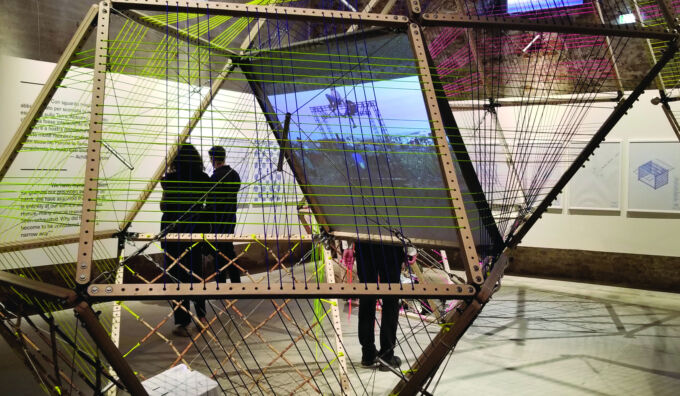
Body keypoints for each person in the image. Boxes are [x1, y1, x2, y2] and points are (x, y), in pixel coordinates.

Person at [160, 144, 211, 337]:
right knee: (196, 273)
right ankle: (201, 317)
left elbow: (164, 205)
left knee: (176, 276)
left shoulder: (169, 180)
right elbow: (205, 204)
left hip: (172, 231)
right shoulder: (204, 179)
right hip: (194, 231)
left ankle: (182, 322)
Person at [348, 241, 407, 371]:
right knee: (391, 297)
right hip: (391, 243)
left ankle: (368, 354)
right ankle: (386, 357)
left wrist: (348, 246)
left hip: (364, 243)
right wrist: (411, 249)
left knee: (367, 295)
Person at [207, 146, 242, 283]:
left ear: (213, 159)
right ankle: (235, 281)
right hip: (230, 218)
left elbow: (210, 203)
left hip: (217, 221)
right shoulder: (234, 174)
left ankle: (220, 283)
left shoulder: (214, 177)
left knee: (218, 252)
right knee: (229, 249)